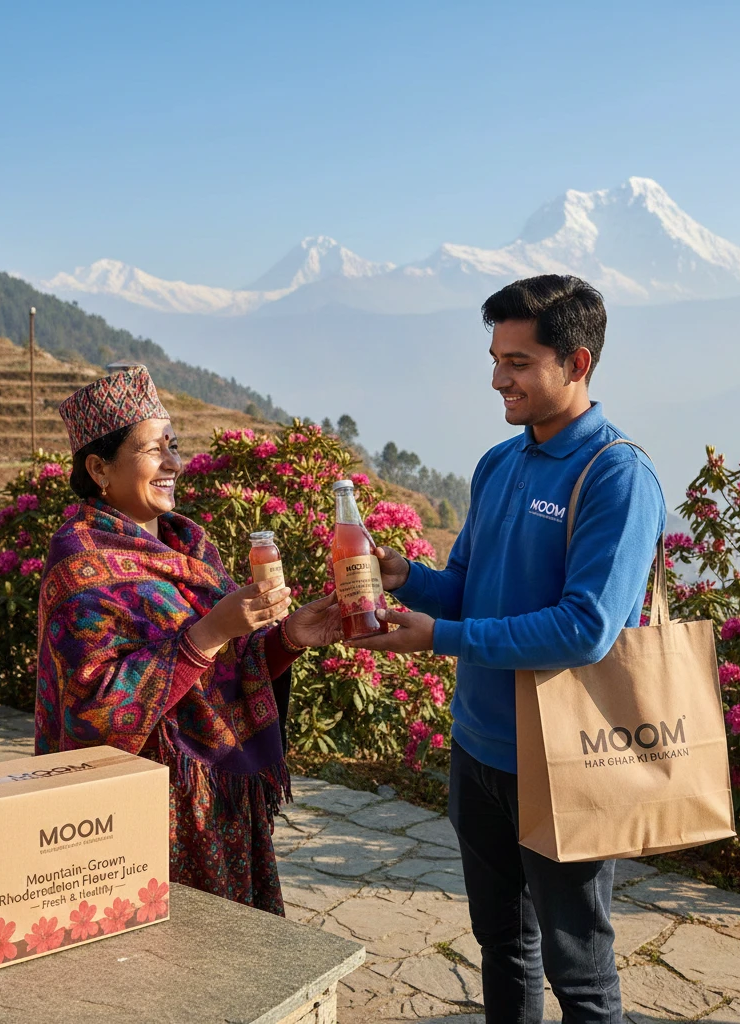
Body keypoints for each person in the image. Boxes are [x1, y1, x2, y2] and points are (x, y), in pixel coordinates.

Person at [350, 276, 666, 1023]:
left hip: (564, 760)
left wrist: (442, 640)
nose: (499, 378)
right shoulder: (500, 463)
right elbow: (469, 586)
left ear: (577, 362)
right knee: (501, 944)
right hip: (479, 748)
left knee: (578, 969)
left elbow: (584, 628)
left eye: (519, 362)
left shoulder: (617, 475)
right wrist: (408, 579)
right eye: (496, 358)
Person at [35, 366, 342, 915]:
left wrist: (289, 637)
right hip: (148, 815)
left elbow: (227, 669)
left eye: (174, 446)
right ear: (100, 468)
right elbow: (94, 710)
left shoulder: (191, 546)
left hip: (217, 803)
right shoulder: (80, 561)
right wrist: (210, 631)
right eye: (155, 450)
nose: (175, 463)